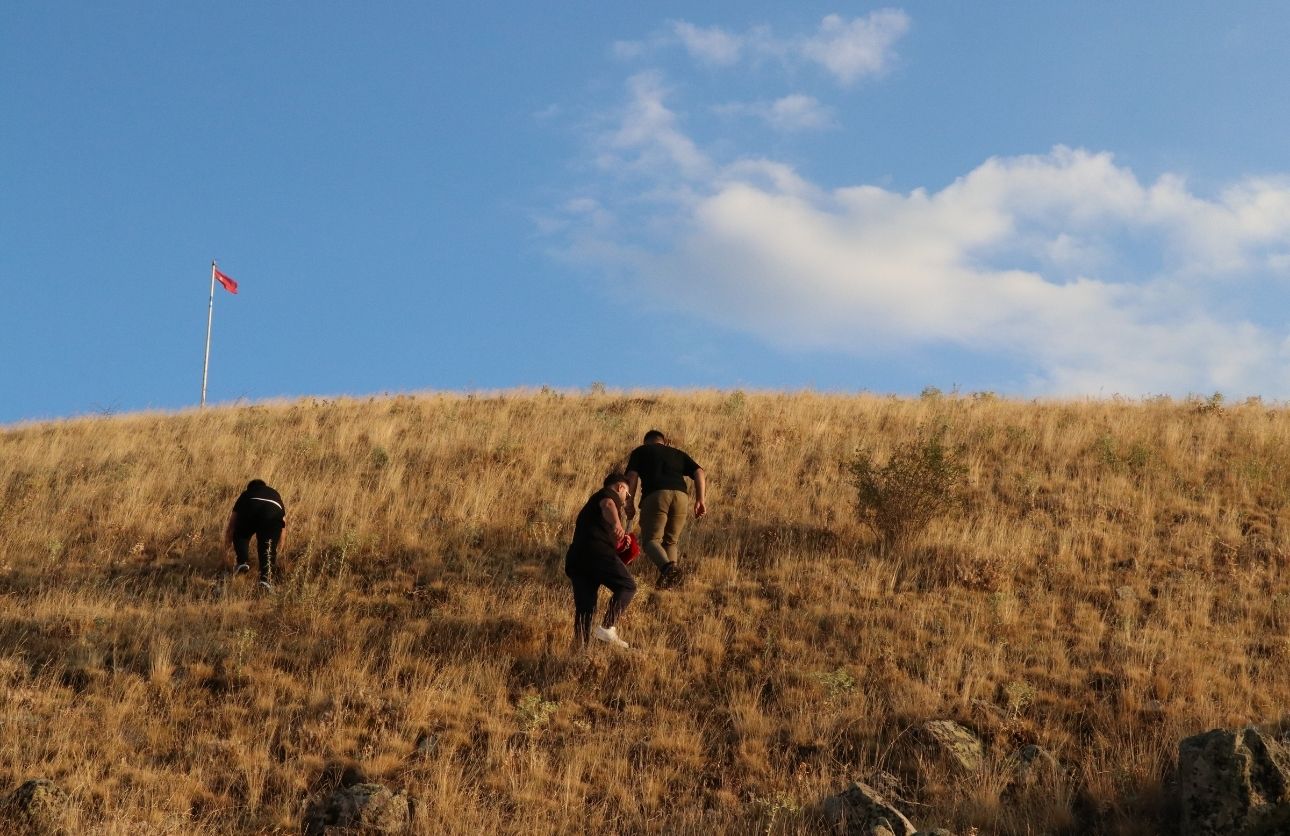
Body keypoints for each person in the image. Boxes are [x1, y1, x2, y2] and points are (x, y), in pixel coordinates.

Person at [625, 430, 706, 588]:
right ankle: (670, 584)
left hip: (656, 496)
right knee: (671, 541)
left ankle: (669, 570)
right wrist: (700, 499)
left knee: (651, 541)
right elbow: (699, 471)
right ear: (664, 441)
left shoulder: (641, 451)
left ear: (646, 442)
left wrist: (629, 503)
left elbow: (632, 476)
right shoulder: (677, 453)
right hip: (681, 497)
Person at [565, 473, 636, 649]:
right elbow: (608, 505)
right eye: (627, 495)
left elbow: (603, 524)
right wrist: (617, 524)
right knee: (627, 586)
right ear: (620, 488)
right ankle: (607, 627)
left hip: (577, 559)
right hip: (597, 552)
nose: (625, 500)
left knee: (585, 609)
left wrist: (621, 540)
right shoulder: (607, 496)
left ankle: (580, 651)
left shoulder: (592, 506)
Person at [225, 479, 286, 590]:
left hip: (250, 507)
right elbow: (283, 527)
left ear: (250, 488)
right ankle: (265, 579)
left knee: (242, 533)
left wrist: (227, 549)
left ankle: (242, 562)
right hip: (273, 514)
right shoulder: (275, 494)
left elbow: (231, 526)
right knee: (267, 546)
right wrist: (278, 548)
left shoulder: (247, 494)